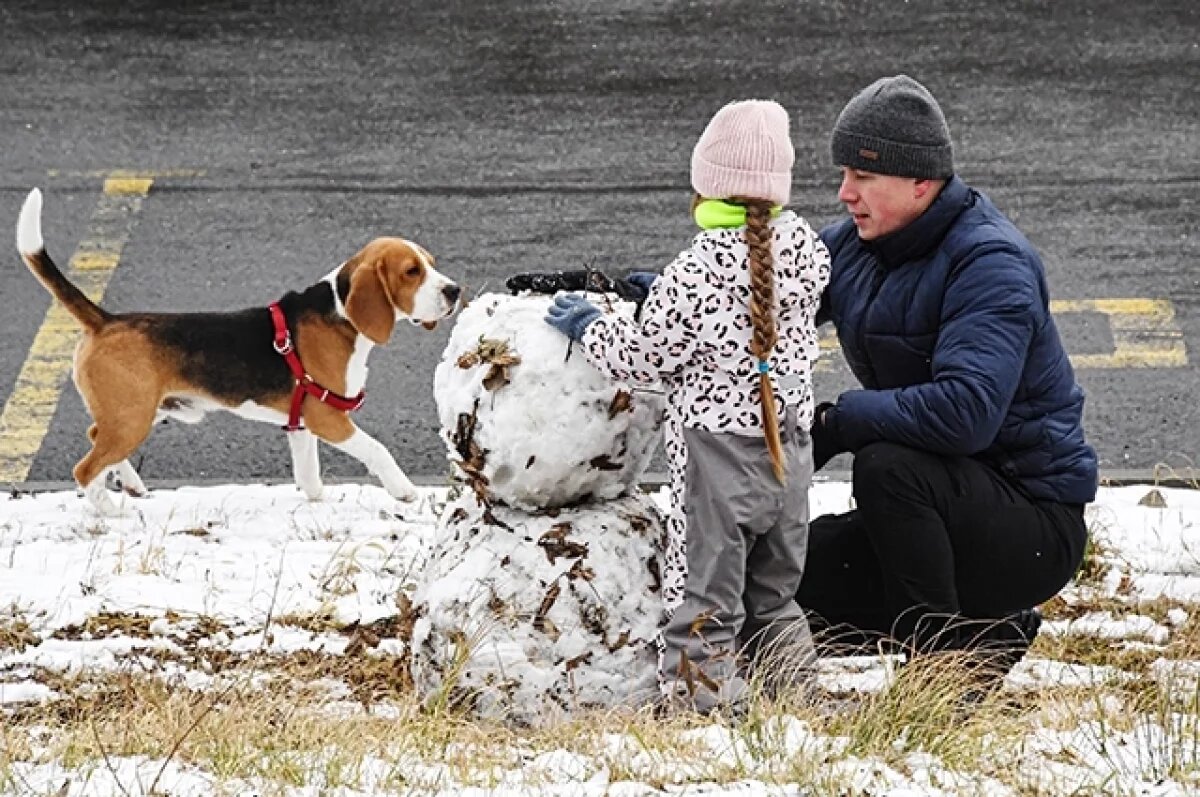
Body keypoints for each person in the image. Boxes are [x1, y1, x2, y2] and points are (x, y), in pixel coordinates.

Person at [798, 75, 1097, 679]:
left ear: (920, 182)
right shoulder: (860, 244)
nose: (844, 193)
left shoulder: (990, 262)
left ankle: (942, 669)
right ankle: (988, 630)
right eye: (843, 174)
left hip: (1028, 521)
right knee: (787, 575)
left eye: (863, 177)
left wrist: (838, 422)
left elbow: (965, 413)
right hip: (930, 515)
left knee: (886, 462)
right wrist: (617, 291)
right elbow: (747, 290)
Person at [542, 100, 831, 713]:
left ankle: (703, 713)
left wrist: (590, 326)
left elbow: (647, 359)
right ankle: (796, 701)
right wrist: (669, 296)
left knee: (706, 598)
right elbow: (749, 310)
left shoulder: (694, 272)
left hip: (717, 462)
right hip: (791, 452)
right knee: (774, 595)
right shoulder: (807, 249)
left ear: (706, 188)